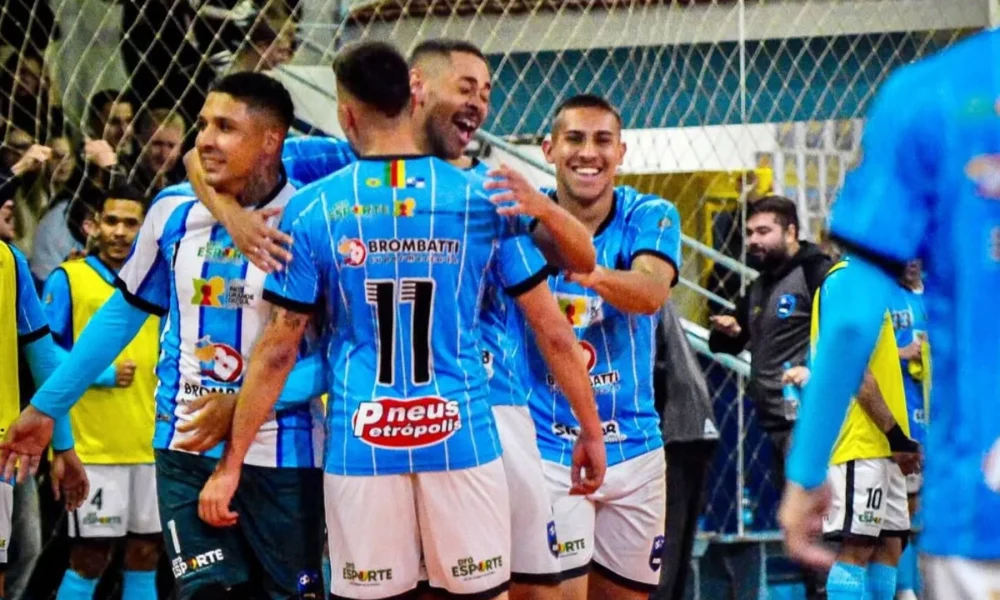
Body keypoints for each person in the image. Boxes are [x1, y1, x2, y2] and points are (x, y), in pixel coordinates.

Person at [196, 40, 606, 600]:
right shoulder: (481, 199)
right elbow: (555, 332)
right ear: (413, 99)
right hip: (462, 437)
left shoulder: (313, 206)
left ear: (346, 116)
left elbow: (278, 349)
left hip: (361, 445)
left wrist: (231, 463)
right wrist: (589, 429)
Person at [0, 72, 329, 599]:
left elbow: (338, 350)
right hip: (184, 444)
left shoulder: (316, 212)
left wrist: (245, 404)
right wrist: (44, 409)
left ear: (271, 140)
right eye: (203, 124)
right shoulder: (171, 210)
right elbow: (120, 317)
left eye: (225, 127)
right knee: (207, 593)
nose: (205, 141)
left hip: (284, 453)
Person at [778, 29, 1000, 600]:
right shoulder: (848, 281)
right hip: (874, 442)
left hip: (979, 496)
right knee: (869, 544)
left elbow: (853, 324)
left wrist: (805, 471)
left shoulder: (928, 93)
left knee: (883, 544)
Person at [518, 94, 679, 600]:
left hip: (634, 443)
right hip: (548, 443)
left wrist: (590, 271)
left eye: (603, 140)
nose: (589, 152)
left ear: (621, 152)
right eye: (575, 139)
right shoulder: (524, 222)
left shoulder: (650, 214)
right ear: (549, 149)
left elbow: (650, 293)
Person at [42, 184, 162, 600]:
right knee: (90, 556)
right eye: (111, 221)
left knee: (146, 553)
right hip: (93, 448)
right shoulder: (70, 278)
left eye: (131, 223)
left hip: (151, 443)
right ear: (92, 225)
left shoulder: (160, 280)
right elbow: (42, 353)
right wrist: (102, 373)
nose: (120, 232)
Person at [783, 257, 920, 600]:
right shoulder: (845, 282)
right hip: (859, 439)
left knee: (889, 547)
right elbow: (856, 373)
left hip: (884, 442)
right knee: (857, 547)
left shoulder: (874, 286)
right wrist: (895, 434)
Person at [708, 196, 831, 498]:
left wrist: (812, 370)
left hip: (812, 422)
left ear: (790, 232)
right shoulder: (761, 285)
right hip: (774, 422)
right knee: (792, 515)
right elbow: (725, 343)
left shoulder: (816, 272)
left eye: (763, 232)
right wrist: (731, 331)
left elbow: (844, 334)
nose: (753, 240)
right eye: (749, 233)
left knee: (819, 515)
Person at [0, 238, 89, 599]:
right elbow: (44, 358)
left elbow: (44, 357)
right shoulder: (8, 259)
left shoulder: (9, 261)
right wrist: (63, 445)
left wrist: (62, 445)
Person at [650, 302, 719, 600]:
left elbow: (651, 368)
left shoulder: (635, 295)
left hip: (674, 428)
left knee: (660, 556)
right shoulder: (649, 293)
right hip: (692, 425)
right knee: (672, 555)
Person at [888, 261, 928, 600]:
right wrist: (900, 352)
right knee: (904, 512)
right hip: (902, 419)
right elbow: (861, 351)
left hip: (940, 418)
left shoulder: (938, 295)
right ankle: (905, 591)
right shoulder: (883, 297)